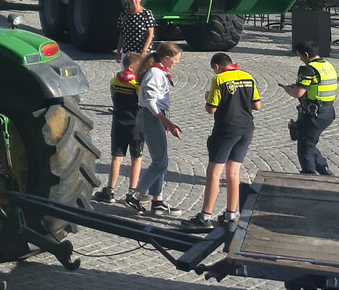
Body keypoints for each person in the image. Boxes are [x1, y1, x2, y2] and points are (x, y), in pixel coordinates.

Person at [182, 53, 261, 230]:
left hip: (226, 130)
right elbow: (257, 105)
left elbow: (211, 109)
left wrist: (207, 98)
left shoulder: (219, 80)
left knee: (214, 173)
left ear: (217, 66)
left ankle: (205, 216)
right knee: (233, 173)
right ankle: (231, 214)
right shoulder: (247, 76)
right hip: (246, 129)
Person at [131, 42, 183, 216]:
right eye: (176, 59)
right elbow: (151, 102)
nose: (177, 62)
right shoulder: (155, 73)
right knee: (160, 162)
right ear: (166, 58)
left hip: (154, 118)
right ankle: (136, 196)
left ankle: (157, 200)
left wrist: (164, 121)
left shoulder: (158, 72)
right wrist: (166, 122)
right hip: (150, 117)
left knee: (160, 160)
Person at [93, 50, 144, 205]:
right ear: (131, 68)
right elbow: (143, 100)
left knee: (116, 158)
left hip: (119, 124)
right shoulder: (137, 86)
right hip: (136, 126)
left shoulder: (114, 81)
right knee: (136, 159)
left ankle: (110, 191)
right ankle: (132, 192)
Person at [282, 39, 337, 176]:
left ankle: (309, 176)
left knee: (305, 146)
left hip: (314, 114)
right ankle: (323, 168)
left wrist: (289, 90)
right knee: (308, 140)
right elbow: (317, 86)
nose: (300, 59)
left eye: (299, 56)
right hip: (328, 111)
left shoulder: (308, 69)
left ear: (306, 54)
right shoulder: (328, 65)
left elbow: (298, 93)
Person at [116, 0, 155, 64]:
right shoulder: (124, 14)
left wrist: (144, 51)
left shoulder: (146, 13)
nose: (133, 1)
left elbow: (150, 34)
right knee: (126, 75)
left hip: (141, 51)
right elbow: (122, 33)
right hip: (127, 52)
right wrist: (118, 51)